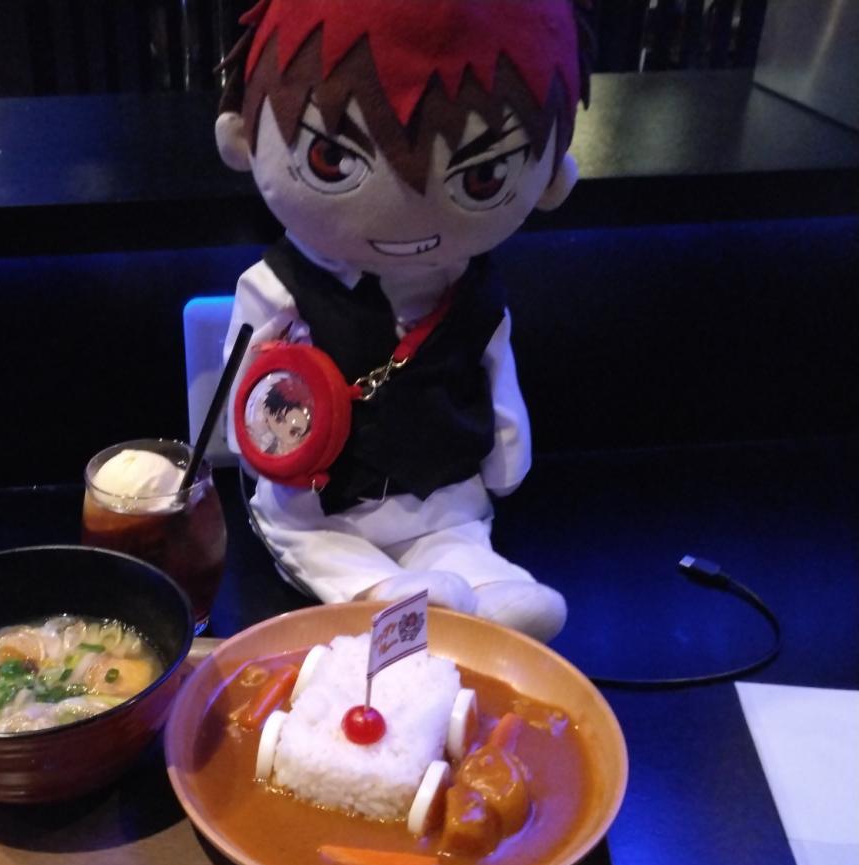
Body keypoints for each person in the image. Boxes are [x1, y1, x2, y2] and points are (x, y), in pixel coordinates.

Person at [216, 0, 594, 642]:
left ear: (551, 179)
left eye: (483, 177)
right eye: (333, 160)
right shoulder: (278, 289)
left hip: (444, 499)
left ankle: (485, 585)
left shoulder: (476, 293)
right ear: (243, 140)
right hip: (321, 507)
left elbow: (497, 377)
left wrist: (505, 461)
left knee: (459, 543)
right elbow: (243, 403)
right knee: (320, 543)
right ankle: (379, 592)